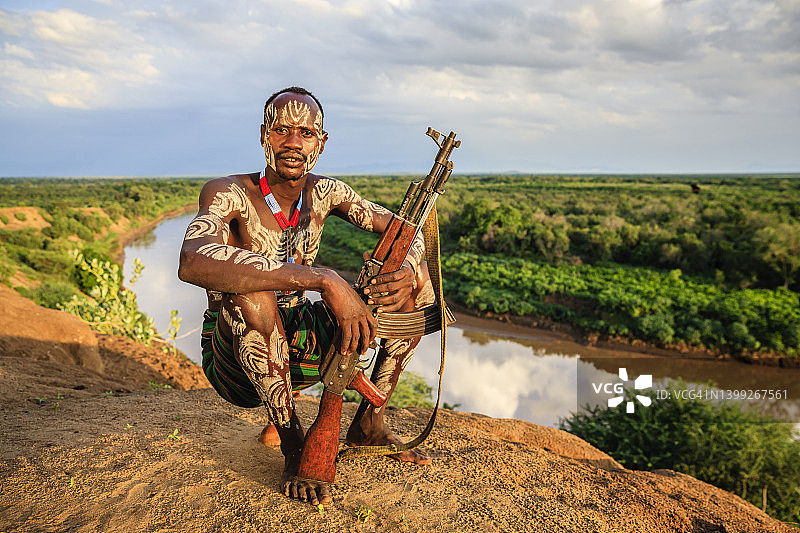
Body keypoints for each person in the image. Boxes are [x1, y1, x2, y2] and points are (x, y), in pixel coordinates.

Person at [178, 86, 435, 506]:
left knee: (412, 280)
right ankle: (294, 442)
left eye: (306, 133)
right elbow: (191, 259)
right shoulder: (228, 193)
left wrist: (406, 271)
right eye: (282, 130)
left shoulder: (327, 193)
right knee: (254, 294)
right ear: (264, 135)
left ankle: (369, 422)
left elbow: (407, 231)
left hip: (299, 347)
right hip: (236, 362)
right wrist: (323, 279)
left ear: (322, 141)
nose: (293, 143)